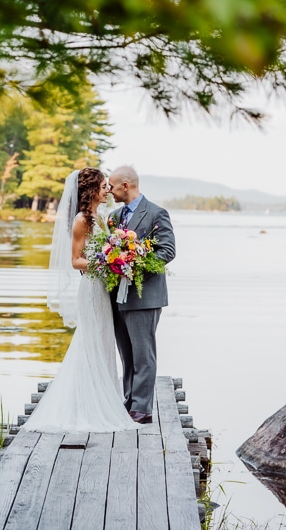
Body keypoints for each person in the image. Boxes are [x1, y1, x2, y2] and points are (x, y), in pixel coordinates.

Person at [23, 167, 135, 432]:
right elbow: (75, 261)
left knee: (103, 342)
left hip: (103, 290)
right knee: (89, 342)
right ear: (91, 190)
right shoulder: (82, 220)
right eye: (104, 186)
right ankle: (86, 405)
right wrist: (106, 262)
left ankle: (104, 398)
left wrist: (117, 258)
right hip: (91, 289)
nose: (108, 190)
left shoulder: (102, 218)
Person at [108, 165, 176, 425]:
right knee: (126, 353)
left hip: (144, 296)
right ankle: (129, 401)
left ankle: (142, 409)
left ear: (126, 185)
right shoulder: (114, 217)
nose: (110, 191)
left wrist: (133, 267)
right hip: (117, 297)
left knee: (143, 354)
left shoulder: (157, 213)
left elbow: (167, 251)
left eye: (112, 186)